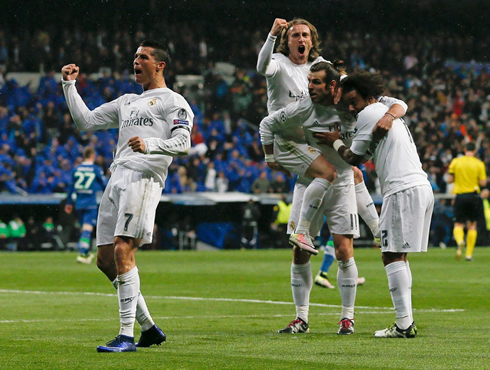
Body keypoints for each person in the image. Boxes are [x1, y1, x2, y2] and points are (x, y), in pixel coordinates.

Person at [62, 39, 194, 352]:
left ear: (160, 65)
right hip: (116, 178)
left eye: (144, 57)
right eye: (135, 56)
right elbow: (86, 122)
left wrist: (152, 145)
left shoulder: (173, 100)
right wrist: (69, 86)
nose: (137, 61)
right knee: (105, 259)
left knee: (123, 250)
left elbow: (183, 143)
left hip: (144, 177)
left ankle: (125, 336)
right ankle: (148, 328)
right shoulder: (126, 101)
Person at [260, 62, 406, 335]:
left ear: (333, 86)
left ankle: (347, 318)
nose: (310, 87)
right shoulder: (304, 107)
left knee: (343, 249)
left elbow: (398, 103)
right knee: (300, 251)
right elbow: (268, 124)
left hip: (341, 182)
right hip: (309, 181)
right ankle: (300, 318)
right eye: (309, 81)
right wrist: (271, 156)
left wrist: (390, 117)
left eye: (316, 82)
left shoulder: (352, 103)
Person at [316, 71, 434, 338]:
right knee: (398, 256)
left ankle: (404, 325)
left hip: (401, 189)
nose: (350, 107)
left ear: (367, 96)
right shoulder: (382, 110)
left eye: (353, 100)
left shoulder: (369, 113)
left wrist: (333, 140)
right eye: (346, 102)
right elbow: (369, 150)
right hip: (420, 186)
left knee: (390, 255)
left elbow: (354, 158)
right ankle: (406, 322)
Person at [65, 147, 107, 264]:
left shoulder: (76, 169)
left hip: (78, 203)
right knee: (87, 229)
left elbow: (71, 188)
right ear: (93, 156)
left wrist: (69, 203)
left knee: (83, 228)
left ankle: (87, 253)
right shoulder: (95, 169)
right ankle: (82, 254)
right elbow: (105, 184)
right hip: (90, 203)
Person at [447, 142, 487, 261]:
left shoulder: (456, 162)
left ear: (465, 150)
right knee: (472, 225)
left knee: (458, 223)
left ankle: (460, 241)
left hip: (460, 196)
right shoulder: (479, 163)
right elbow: (483, 183)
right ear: (475, 151)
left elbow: (449, 179)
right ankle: (469, 255)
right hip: (474, 197)